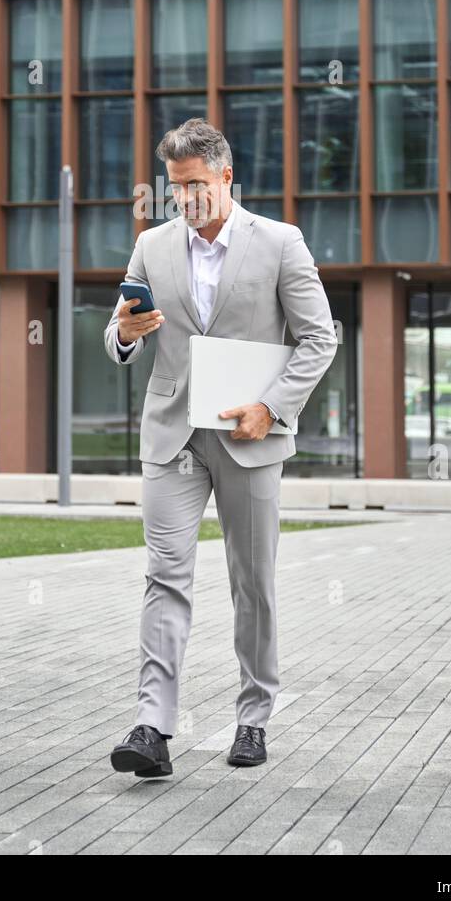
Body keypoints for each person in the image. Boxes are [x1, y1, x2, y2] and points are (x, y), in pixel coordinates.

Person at [104, 118, 337, 777]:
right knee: (165, 576)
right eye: (177, 187)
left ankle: (254, 718)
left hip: (248, 436)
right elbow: (118, 338)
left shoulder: (280, 243)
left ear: (226, 177)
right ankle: (152, 726)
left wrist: (273, 408)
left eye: (197, 185)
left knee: (252, 584)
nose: (187, 199)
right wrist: (125, 332)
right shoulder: (152, 246)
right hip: (173, 436)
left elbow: (319, 339)